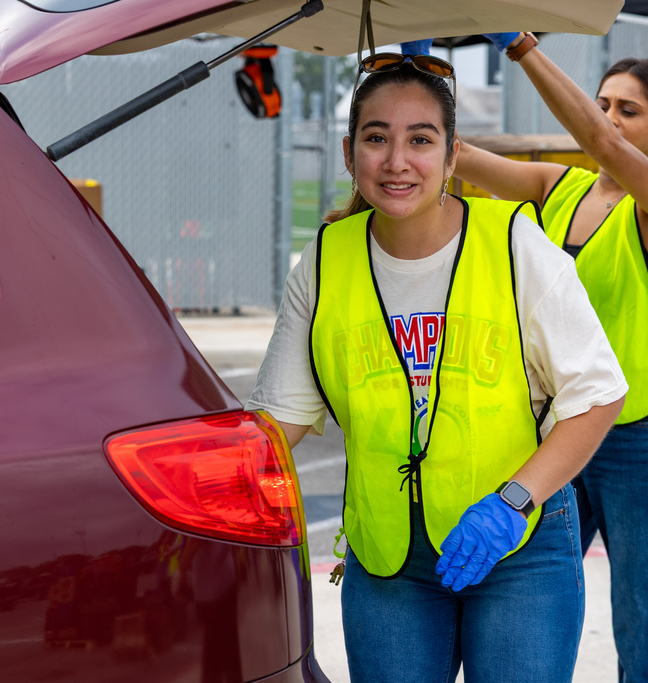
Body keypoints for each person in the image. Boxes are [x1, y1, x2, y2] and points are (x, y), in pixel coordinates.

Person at [247, 49, 627, 682]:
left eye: (420, 140)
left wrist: (511, 503)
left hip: (517, 543)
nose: (397, 161)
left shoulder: (513, 242)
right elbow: (277, 422)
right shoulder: (325, 261)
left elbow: (598, 393)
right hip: (389, 558)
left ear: (453, 156)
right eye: (376, 138)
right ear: (349, 154)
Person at [453, 32, 648, 683]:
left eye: (629, 110)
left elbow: (603, 146)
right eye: (603, 103)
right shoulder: (559, 189)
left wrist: (521, 46)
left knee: (640, 620)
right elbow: (453, 155)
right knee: (537, 589)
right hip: (565, 426)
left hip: (643, 430)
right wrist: (404, 72)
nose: (609, 119)